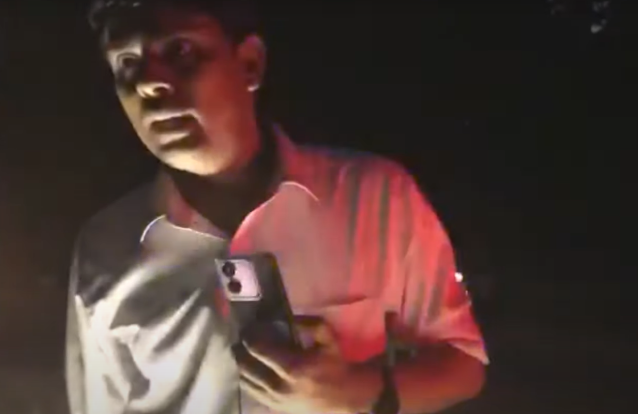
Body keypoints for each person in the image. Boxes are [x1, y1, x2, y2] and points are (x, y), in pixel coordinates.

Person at [65, 1, 488, 413]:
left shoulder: (376, 198)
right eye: (127, 63)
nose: (148, 82)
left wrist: (355, 392)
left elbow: (462, 361)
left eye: (180, 51)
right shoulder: (106, 245)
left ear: (250, 64)